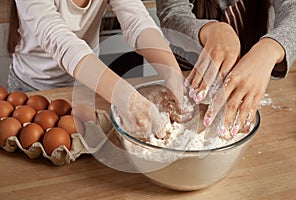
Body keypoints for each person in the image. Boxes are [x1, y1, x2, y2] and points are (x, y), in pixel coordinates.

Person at [7, 0, 188, 138]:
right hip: (31, 90)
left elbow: (136, 20)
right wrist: (126, 97)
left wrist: (172, 72)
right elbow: (57, 38)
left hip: (88, 84)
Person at [156, 0, 296, 135]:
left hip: (252, 75)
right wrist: (208, 30)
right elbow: (171, 13)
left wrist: (272, 47)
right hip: (187, 72)